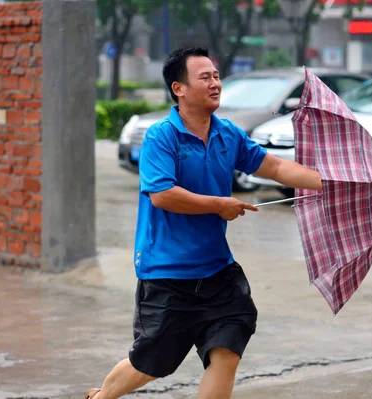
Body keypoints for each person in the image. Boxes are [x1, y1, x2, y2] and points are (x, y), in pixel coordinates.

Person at [85, 46, 322, 399]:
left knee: (227, 347)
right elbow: (162, 194)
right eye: (205, 77)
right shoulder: (161, 136)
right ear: (178, 89)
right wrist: (219, 205)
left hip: (217, 271)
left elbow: (273, 167)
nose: (215, 83)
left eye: (216, 76)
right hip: (167, 273)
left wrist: (328, 181)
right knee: (153, 362)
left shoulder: (228, 135)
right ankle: (102, 397)